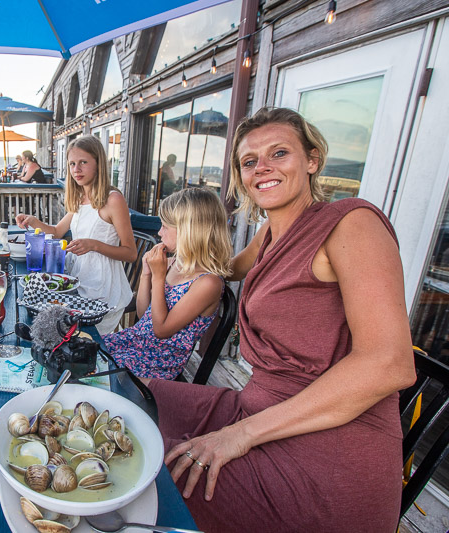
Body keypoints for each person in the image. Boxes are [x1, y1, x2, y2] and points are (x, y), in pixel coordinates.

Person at [148, 107, 416, 532]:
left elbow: (389, 364)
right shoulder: (270, 234)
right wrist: (179, 258)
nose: (262, 168)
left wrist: (238, 436)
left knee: (145, 476)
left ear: (312, 160)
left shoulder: (352, 223)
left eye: (279, 153)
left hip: (329, 452)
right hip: (257, 407)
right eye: (250, 161)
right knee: (133, 395)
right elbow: (227, 269)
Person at [102, 188, 231, 381]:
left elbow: (161, 330)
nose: (159, 232)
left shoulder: (208, 283)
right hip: (135, 343)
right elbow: (143, 314)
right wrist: (147, 274)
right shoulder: (173, 264)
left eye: (165, 227)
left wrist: (158, 277)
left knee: (89, 370)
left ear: (189, 231)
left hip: (155, 363)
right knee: (82, 350)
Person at [16, 135, 136, 334]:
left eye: (83, 163)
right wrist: (33, 221)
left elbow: (131, 253)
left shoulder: (113, 199)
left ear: (98, 164)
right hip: (76, 280)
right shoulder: (80, 197)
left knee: (80, 340)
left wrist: (94, 245)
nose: (76, 170)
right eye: (72, 164)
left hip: (102, 289)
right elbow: (56, 232)